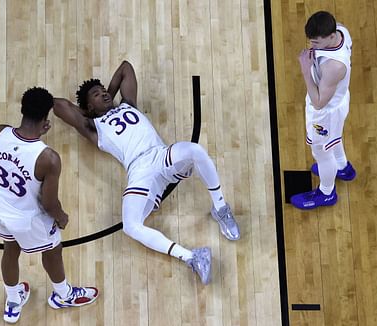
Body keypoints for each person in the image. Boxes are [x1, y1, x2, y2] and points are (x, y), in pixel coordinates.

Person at [53, 61, 240, 285]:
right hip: (139, 171)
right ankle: (192, 257)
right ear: (89, 107)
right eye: (96, 94)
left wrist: (107, 97)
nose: (103, 93)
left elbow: (125, 68)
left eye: (103, 90)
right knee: (130, 226)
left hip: (161, 156)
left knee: (195, 150)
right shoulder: (92, 127)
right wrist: (87, 112)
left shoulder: (128, 104)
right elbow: (59, 105)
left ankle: (220, 208)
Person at [0, 87, 99, 323]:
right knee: (53, 250)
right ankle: (63, 294)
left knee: (10, 249)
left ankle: (14, 300)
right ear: (46, 122)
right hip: (27, 218)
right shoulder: (48, 158)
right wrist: (61, 217)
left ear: (22, 110)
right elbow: (49, 203)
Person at [290, 11, 356, 210]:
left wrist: (305, 70)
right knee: (333, 140)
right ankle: (343, 168)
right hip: (338, 100)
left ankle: (327, 192)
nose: (312, 46)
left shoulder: (333, 66)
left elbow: (318, 101)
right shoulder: (341, 29)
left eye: (316, 43)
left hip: (325, 112)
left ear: (329, 36)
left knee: (321, 151)